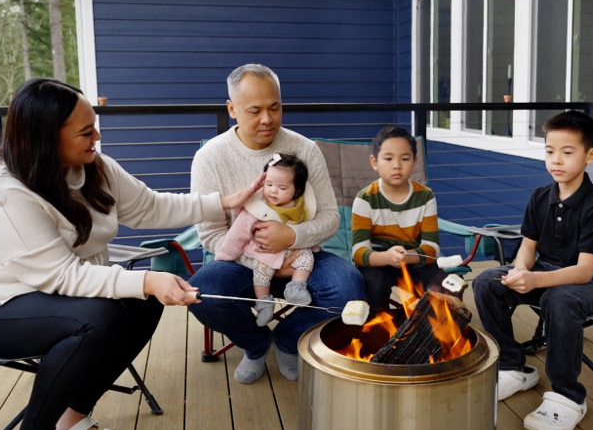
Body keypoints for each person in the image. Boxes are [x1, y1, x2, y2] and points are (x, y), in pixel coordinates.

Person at [0, 79, 260, 430]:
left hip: (55, 295)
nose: (97, 137)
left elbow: (149, 208)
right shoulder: (1, 192)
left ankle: (71, 417)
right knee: (100, 317)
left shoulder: (90, 167)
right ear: (45, 137)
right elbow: (62, 276)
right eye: (86, 131)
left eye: (95, 125)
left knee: (142, 305)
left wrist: (224, 202)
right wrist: (146, 280)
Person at [188, 64, 365, 384]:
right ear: (231, 109)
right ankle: (256, 346)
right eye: (255, 111)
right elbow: (211, 233)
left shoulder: (304, 149)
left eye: (275, 107)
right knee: (203, 292)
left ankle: (287, 341)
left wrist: (292, 236)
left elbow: (329, 217)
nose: (267, 119)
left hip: (304, 255)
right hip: (242, 260)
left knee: (347, 289)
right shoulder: (211, 157)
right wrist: (262, 258)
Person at [472, 111, 593, 430]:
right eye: (550, 151)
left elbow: (584, 272)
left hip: (591, 286)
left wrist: (535, 281)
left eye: (568, 152)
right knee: (487, 282)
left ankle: (569, 396)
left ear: (590, 156)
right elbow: (527, 248)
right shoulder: (540, 197)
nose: (557, 160)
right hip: (545, 275)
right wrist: (520, 272)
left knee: (559, 296)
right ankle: (513, 365)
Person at [215, 152, 317, 326]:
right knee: (260, 274)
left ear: (297, 190)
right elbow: (237, 235)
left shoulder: (299, 206)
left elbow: (307, 228)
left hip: (291, 250)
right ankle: (264, 304)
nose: (273, 191)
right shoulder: (256, 208)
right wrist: (223, 258)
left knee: (308, 257)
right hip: (264, 253)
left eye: (282, 188)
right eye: (268, 184)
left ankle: (296, 287)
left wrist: (313, 246)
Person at [352, 125, 446, 308]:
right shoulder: (365, 198)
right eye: (388, 158)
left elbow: (432, 247)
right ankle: (378, 331)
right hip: (378, 260)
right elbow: (358, 252)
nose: (397, 165)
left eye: (405, 158)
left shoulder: (425, 196)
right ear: (374, 162)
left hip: (414, 259)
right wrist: (387, 258)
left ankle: (427, 331)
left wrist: (408, 256)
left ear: (414, 162)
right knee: (372, 286)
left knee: (440, 288)